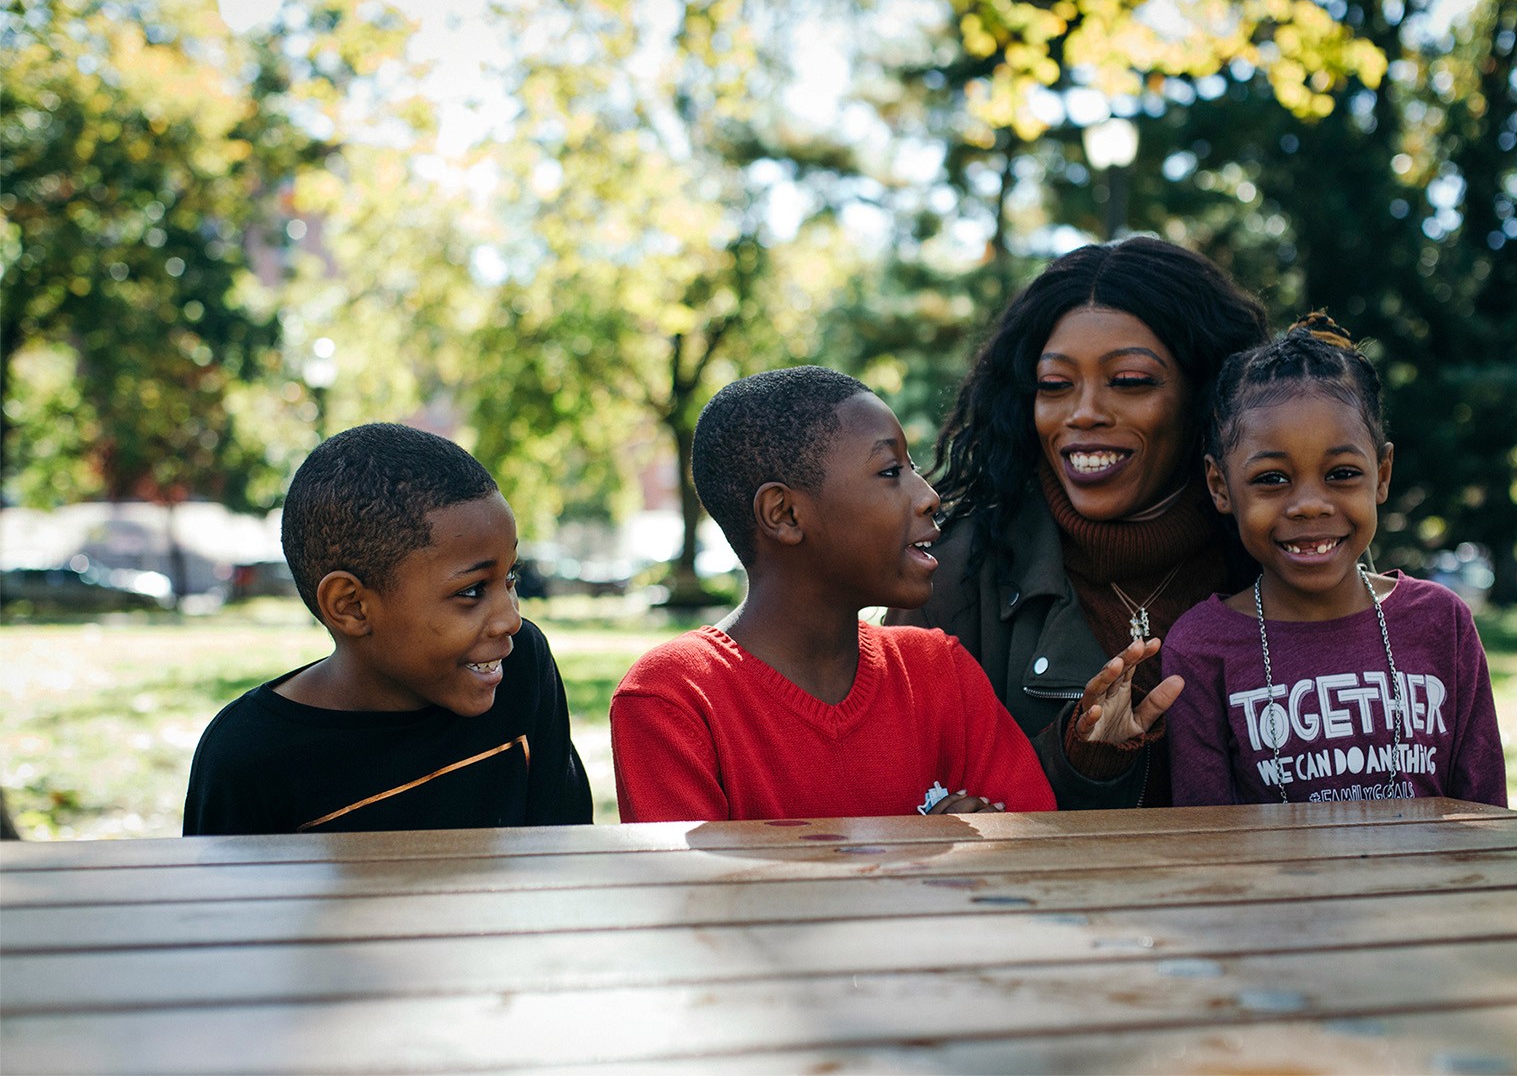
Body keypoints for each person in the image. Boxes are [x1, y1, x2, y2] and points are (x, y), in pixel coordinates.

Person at [888, 236, 1270, 809]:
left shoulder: (1274, 552)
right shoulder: (956, 574)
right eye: (1055, 385)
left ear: (1206, 396)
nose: (1084, 411)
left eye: (1130, 381)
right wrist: (1078, 757)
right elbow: (888, 789)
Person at [610, 367, 1057, 822]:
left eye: (914, 468)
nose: (928, 496)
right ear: (784, 514)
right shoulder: (675, 698)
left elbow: (1034, 850)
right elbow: (699, 892)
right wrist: (919, 856)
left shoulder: (942, 670)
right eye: (890, 472)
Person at [1164, 314, 1507, 806]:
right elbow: (1205, 841)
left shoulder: (1441, 621)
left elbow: (1486, 813)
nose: (1309, 504)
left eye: (1342, 473)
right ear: (1221, 486)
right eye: (1271, 479)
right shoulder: (1200, 647)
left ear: (1382, 474)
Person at [183, 423, 593, 835]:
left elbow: (563, 861)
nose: (511, 619)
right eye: (471, 590)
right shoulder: (249, 759)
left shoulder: (522, 667)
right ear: (352, 607)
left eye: (511, 576)